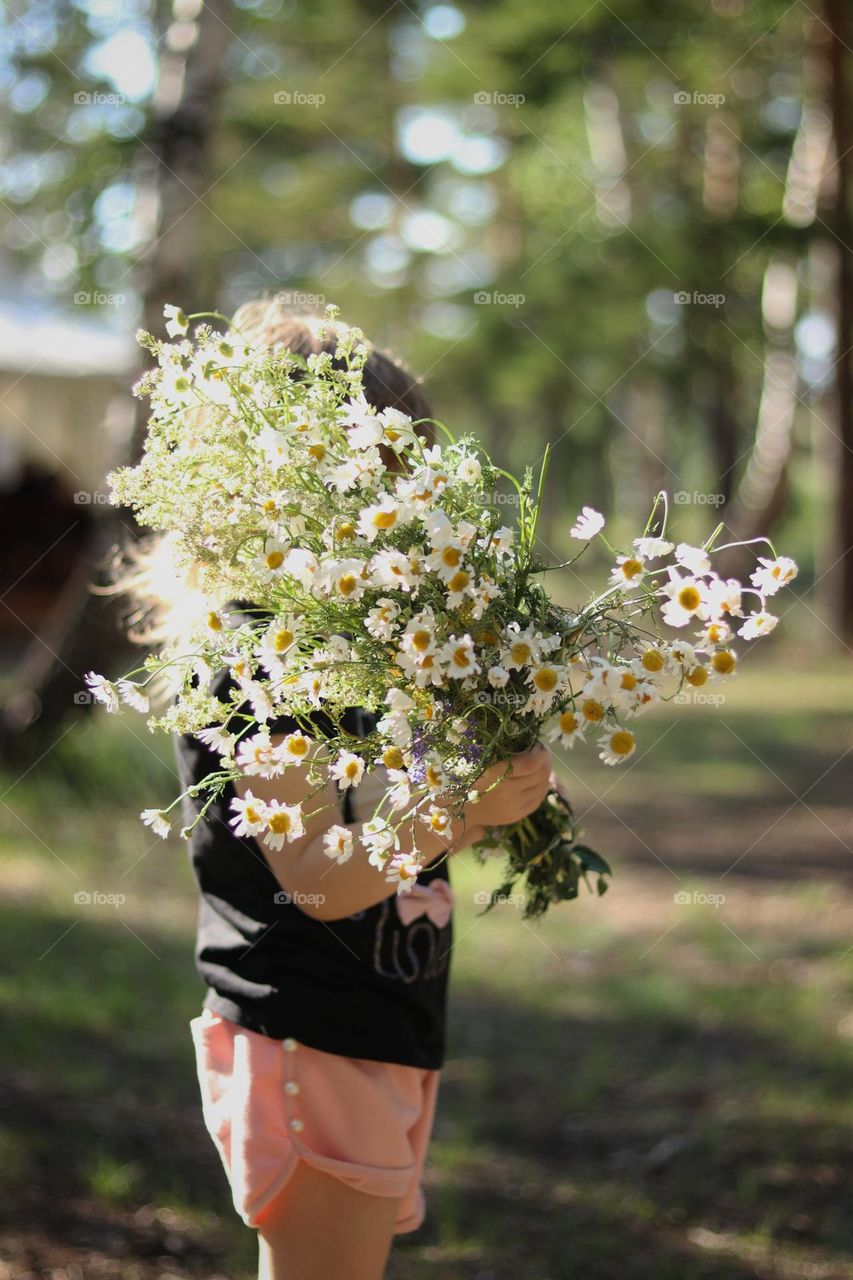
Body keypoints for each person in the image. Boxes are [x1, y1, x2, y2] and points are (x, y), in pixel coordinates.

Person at [123, 299, 553, 1280]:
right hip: (308, 1035)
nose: (392, 510)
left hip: (372, 1025)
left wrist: (493, 793)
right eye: (357, 475)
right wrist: (464, 806)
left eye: (402, 476)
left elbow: (393, 830)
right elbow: (320, 876)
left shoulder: (358, 652)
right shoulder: (256, 657)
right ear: (258, 483)